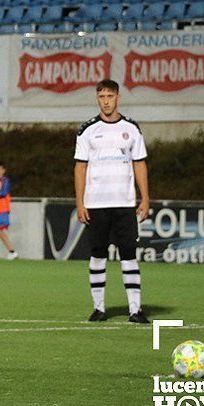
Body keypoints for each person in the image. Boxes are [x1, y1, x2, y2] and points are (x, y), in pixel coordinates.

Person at [74, 79, 150, 324]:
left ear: (118, 97)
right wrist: (80, 202)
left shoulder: (131, 129)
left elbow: (139, 163)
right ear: (97, 99)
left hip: (125, 203)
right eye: (101, 96)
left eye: (109, 96)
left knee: (129, 254)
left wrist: (145, 197)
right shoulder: (87, 130)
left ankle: (135, 310)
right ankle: (99, 308)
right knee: (98, 254)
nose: (105, 101)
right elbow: (80, 168)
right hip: (96, 204)